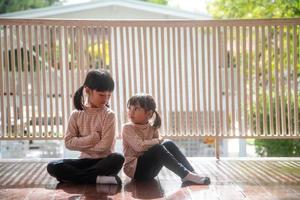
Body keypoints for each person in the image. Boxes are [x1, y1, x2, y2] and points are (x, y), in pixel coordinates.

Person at [47, 69, 124, 185]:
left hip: (103, 162)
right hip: (84, 161)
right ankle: (96, 179)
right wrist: (92, 139)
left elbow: (105, 147)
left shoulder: (109, 115)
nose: (106, 99)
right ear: (88, 90)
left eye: (109, 95)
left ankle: (78, 177)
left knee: (118, 158)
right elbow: (68, 143)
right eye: (101, 95)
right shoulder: (76, 114)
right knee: (52, 166)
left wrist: (80, 145)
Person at [122, 94, 210, 185]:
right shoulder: (127, 128)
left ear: (148, 113)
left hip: (151, 171)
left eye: (136, 109)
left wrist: (157, 142)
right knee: (158, 148)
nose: (131, 112)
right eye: (130, 108)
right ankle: (185, 175)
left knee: (168, 143)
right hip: (135, 170)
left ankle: (191, 172)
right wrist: (157, 141)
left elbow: (158, 145)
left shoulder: (152, 127)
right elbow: (139, 146)